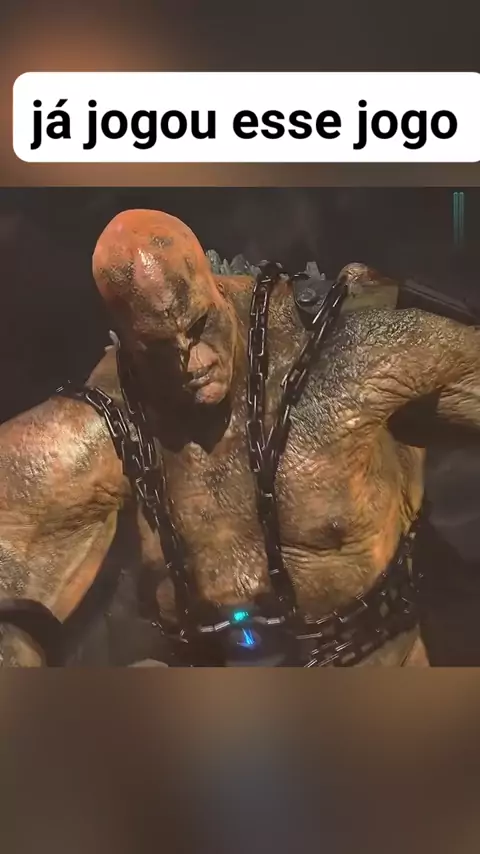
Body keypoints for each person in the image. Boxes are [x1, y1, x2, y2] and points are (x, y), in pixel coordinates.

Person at [0, 207, 479, 667]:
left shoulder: (352, 350)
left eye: (199, 326)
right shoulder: (94, 428)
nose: (192, 361)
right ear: (126, 337)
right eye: (159, 348)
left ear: (215, 285)